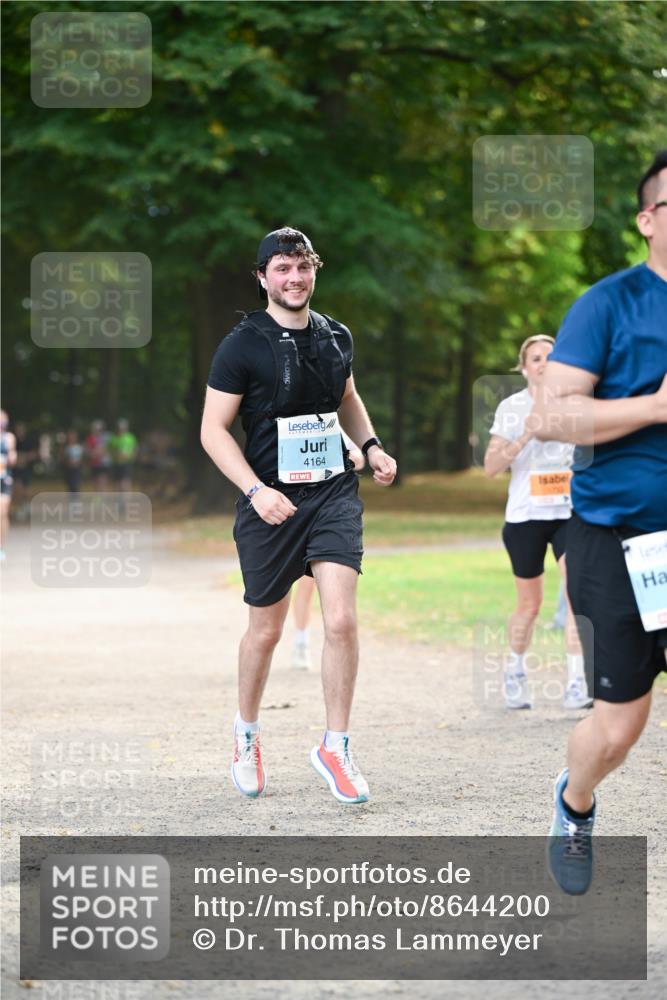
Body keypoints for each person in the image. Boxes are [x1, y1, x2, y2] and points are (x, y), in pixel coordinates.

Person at [201, 226, 397, 804]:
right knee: (266, 629)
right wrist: (256, 489)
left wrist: (371, 446)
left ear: (315, 271)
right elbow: (212, 431)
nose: (295, 277)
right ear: (262, 277)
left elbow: (347, 400)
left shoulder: (336, 336)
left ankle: (335, 746)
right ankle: (247, 732)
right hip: (269, 504)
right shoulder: (242, 345)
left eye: (303, 265)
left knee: (340, 620)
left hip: (333, 493)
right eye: (282, 268)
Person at [532, 150, 667, 894]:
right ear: (646, 219)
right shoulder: (608, 302)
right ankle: (574, 802)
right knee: (617, 728)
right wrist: (653, 405)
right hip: (618, 541)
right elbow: (554, 413)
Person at [484, 335, 592, 711]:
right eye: (536, 358)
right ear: (525, 367)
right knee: (530, 604)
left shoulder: (578, 405)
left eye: (551, 356)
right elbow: (491, 468)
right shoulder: (511, 408)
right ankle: (514, 673)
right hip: (525, 517)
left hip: (568, 515)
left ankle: (578, 681)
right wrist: (529, 431)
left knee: (577, 596)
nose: (544, 363)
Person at [291, 433, 365, 670]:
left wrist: (339, 461)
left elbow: (358, 457)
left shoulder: (332, 422)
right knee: (279, 591)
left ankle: (302, 642)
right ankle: (284, 638)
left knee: (307, 583)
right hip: (288, 509)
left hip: (326, 511)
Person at [0, 409, 17, 560]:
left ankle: (1, 546)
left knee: (3, 512)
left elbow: (12, 456)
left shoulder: (9, 437)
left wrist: (12, 456)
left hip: (3, 479)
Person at [109, 418, 138, 492]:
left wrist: (131, 457)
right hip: (117, 463)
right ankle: (120, 501)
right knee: (118, 483)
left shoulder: (130, 437)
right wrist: (116, 455)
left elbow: (135, 448)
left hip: (127, 463)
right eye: (119, 427)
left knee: (125, 483)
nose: (121, 429)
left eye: (122, 428)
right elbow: (110, 450)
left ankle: (127, 501)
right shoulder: (114, 438)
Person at [86, 420, 112, 491]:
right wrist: (92, 453)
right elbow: (88, 450)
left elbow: (108, 450)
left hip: (104, 463)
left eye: (98, 429)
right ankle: (98, 501)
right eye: (95, 429)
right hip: (94, 464)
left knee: (102, 483)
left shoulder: (106, 437)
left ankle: (103, 500)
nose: (97, 431)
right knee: (95, 484)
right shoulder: (90, 438)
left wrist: (99, 453)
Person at [62, 429, 84, 497]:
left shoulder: (78, 447)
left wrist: (75, 462)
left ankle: (75, 501)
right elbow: (63, 458)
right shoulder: (65, 447)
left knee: (75, 485)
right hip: (68, 469)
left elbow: (81, 459)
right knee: (69, 486)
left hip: (76, 469)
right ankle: (71, 501)